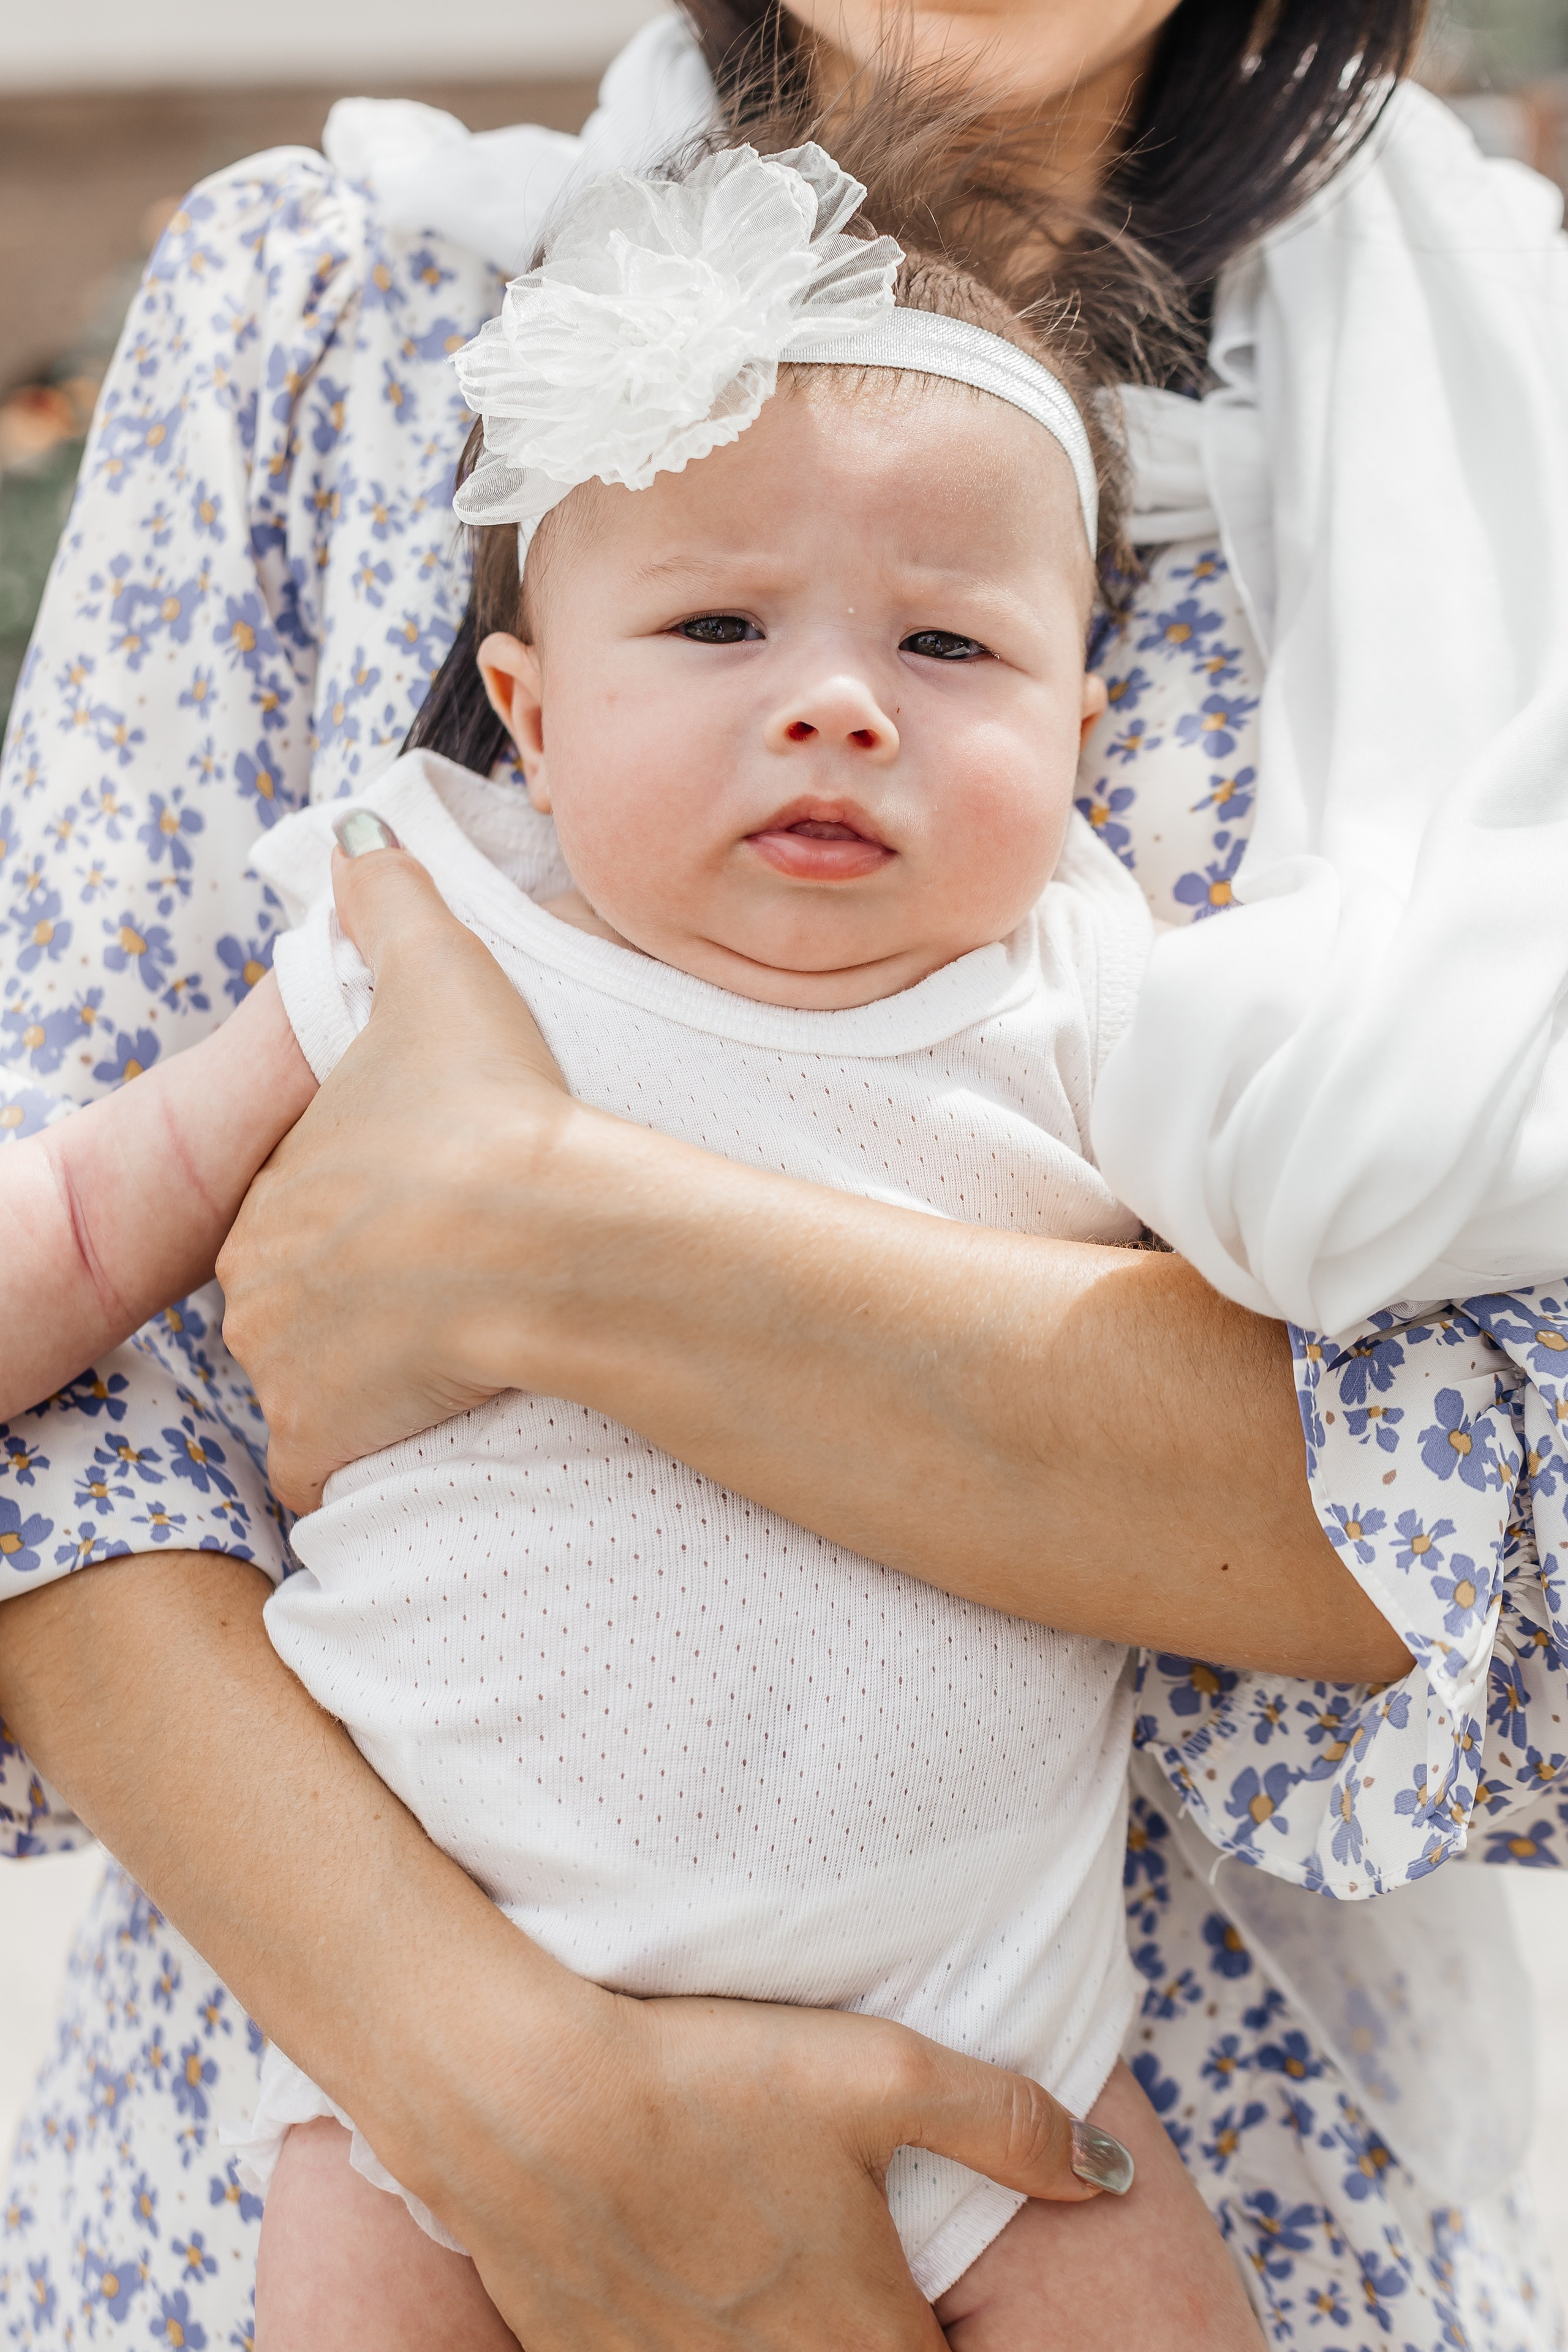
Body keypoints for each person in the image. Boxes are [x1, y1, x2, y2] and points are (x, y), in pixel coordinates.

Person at [0, 4, 1562, 2349]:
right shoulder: (336, 310)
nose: (832, 703)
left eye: (945, 645)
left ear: (1079, 700)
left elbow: (1501, 1492)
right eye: (715, 628)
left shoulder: (1486, 439)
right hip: (352, 2042)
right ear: (524, 702)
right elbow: (75, 1359)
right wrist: (498, 2085)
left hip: (1078, 2085)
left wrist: (544, 1239)